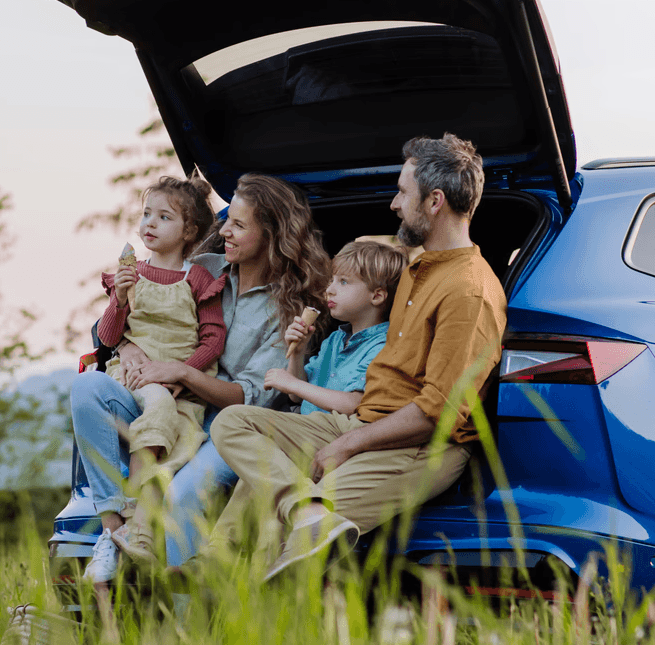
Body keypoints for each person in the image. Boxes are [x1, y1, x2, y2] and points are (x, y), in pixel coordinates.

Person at [204, 133, 508, 580]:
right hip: (363, 421)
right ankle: (286, 518)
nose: (393, 203)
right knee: (234, 422)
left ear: (435, 201)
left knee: (295, 546)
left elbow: (438, 413)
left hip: (417, 446)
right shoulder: (421, 270)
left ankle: (266, 564)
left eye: (403, 192)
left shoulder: (469, 290)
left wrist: (346, 444)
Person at [71, 173, 330, 585]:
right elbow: (130, 324)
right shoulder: (204, 268)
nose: (223, 229)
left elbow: (252, 398)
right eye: (228, 220)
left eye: (239, 225)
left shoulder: (288, 309)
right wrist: (127, 348)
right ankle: (113, 531)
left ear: (271, 235)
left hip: (228, 428)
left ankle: (181, 609)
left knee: (183, 495)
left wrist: (181, 372)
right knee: (87, 387)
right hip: (164, 407)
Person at [95, 176, 225, 565]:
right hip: (134, 378)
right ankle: (136, 518)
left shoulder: (198, 278)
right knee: (159, 407)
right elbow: (107, 337)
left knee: (171, 418)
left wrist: (178, 373)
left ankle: (143, 528)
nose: (149, 223)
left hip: (176, 381)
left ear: (190, 231)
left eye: (163, 217)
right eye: (146, 213)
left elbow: (213, 340)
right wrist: (119, 299)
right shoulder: (131, 275)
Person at [263, 240, 408, 416]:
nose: (330, 289)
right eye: (332, 281)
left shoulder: (382, 346)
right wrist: (297, 353)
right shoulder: (335, 340)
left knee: (234, 418)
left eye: (344, 282)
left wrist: (291, 383)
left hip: (334, 433)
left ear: (377, 296)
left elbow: (353, 404)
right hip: (305, 425)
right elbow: (296, 397)